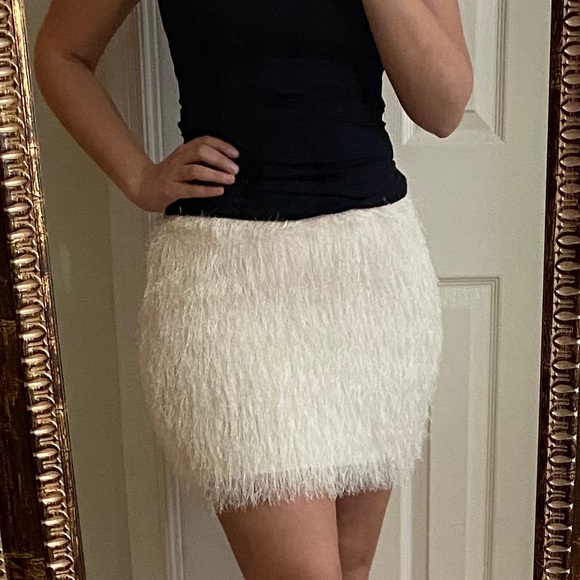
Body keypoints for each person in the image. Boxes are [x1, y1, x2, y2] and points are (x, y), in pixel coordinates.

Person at [34, 0, 472, 577]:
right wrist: (140, 176)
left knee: (351, 566)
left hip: (373, 274)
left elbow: (442, 108)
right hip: (225, 277)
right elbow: (61, 53)